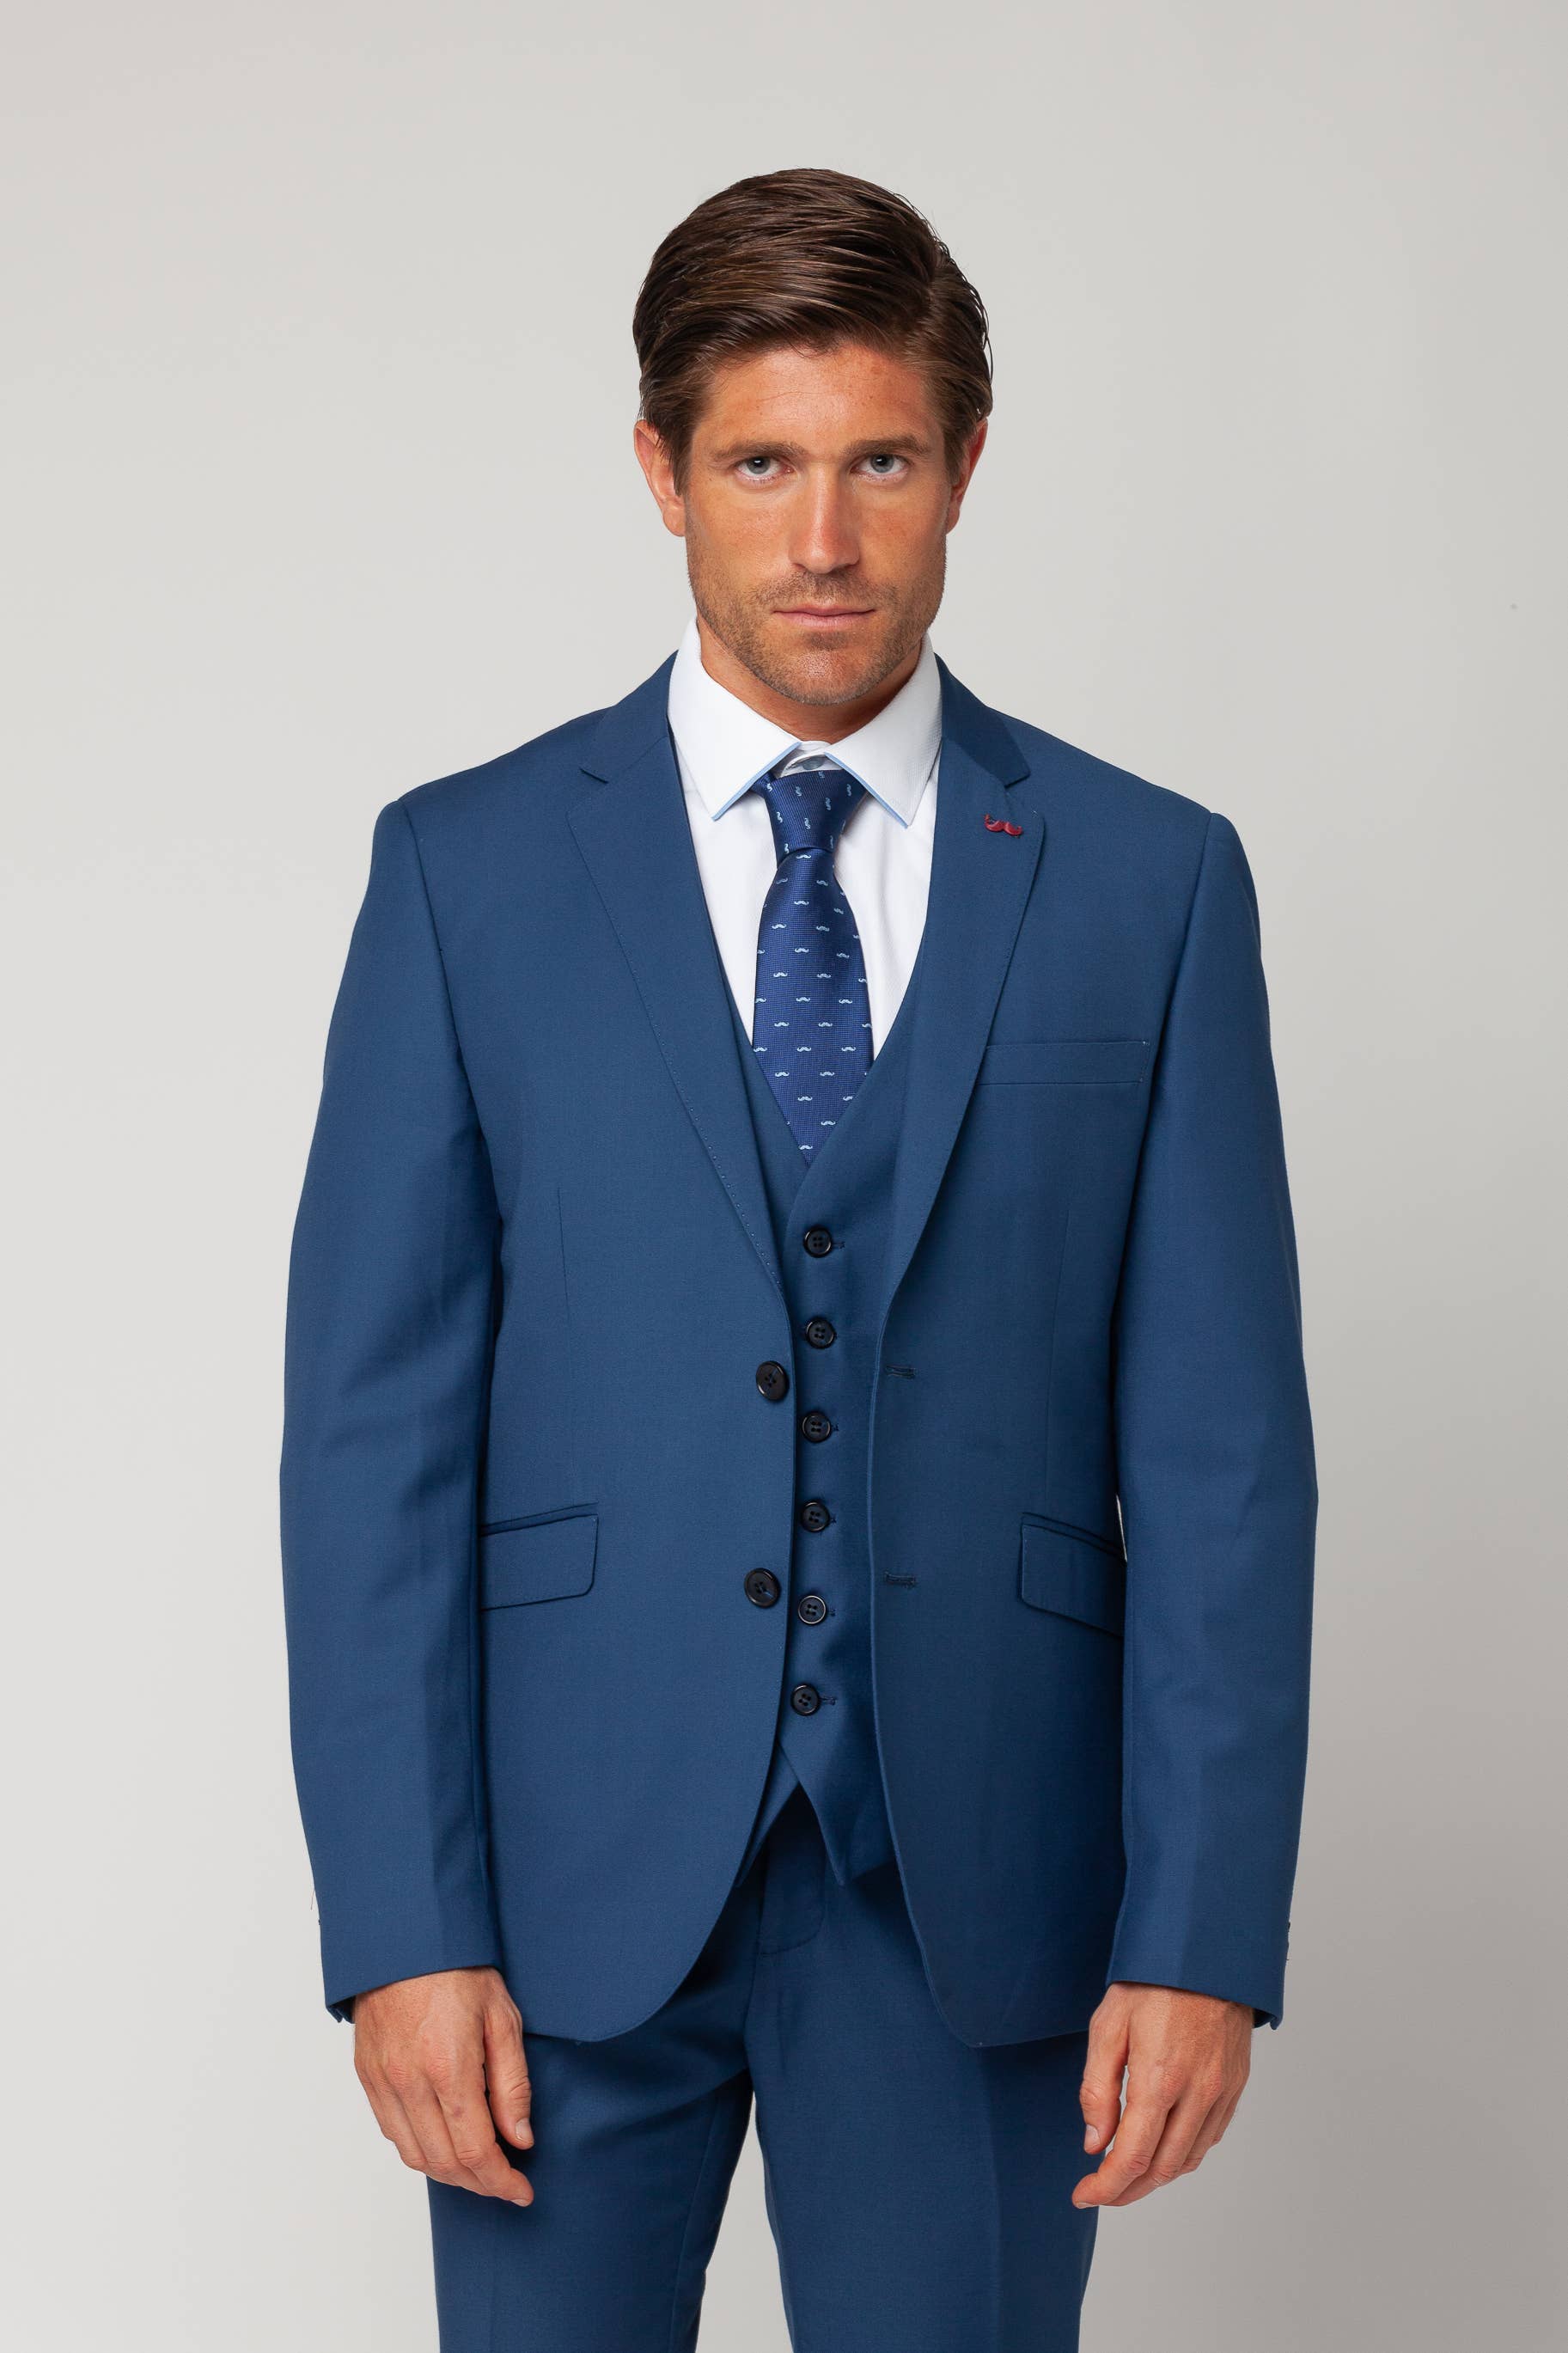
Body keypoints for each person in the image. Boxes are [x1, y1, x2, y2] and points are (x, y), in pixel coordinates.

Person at [279, 165, 1317, 2352]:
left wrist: (1201, 1930)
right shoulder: (467, 873)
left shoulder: (1148, 883)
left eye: (881, 464)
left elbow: (1225, 1462)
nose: (823, 539)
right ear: (662, 474)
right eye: (761, 465)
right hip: (556, 1897)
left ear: (965, 466)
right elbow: (371, 1445)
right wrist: (399, 1924)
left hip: (979, 1894)